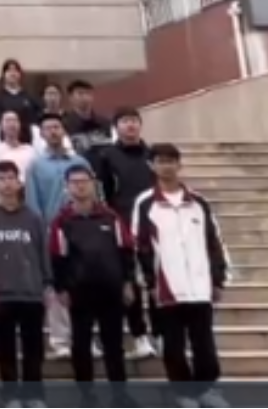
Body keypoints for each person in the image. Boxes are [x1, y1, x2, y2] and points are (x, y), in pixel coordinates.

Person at [133, 145, 229, 409]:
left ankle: (207, 389)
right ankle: (183, 392)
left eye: (171, 161)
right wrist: (149, 282)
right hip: (166, 288)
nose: (166, 166)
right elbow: (140, 246)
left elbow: (214, 241)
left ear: (179, 164)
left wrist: (218, 278)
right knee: (173, 345)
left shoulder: (199, 202)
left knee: (204, 344)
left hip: (199, 286)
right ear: (152, 166)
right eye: (160, 161)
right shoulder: (145, 203)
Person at [50, 165, 137, 408]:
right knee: (81, 346)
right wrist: (61, 288)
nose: (80, 186)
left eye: (84, 181)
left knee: (114, 346)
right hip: (79, 293)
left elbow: (126, 251)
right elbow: (57, 257)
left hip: (111, 290)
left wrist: (128, 282)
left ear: (93, 183)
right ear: (67, 187)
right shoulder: (62, 221)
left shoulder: (111, 216)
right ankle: (86, 395)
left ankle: (120, 395)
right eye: (74, 182)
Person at [0, 160, 52, 409]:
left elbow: (43, 252)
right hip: (2, 294)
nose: (7, 183)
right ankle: (10, 395)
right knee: (6, 348)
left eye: (11, 178)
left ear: (19, 182)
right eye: (1, 178)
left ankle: (34, 394)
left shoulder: (33, 217)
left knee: (34, 348)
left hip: (32, 292)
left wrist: (47, 284)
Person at [97, 112, 159, 360]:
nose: (130, 125)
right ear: (116, 127)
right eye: (125, 121)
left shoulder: (152, 155)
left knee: (155, 279)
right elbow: (103, 192)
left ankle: (161, 333)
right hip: (122, 225)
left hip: (153, 225)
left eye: (134, 121)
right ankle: (139, 335)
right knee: (130, 281)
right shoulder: (107, 156)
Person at [29, 115, 90, 358]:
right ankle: (60, 339)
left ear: (63, 131)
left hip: (83, 227)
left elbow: (93, 193)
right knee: (56, 285)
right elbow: (33, 202)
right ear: (42, 134)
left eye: (57, 127)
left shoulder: (80, 162)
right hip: (53, 230)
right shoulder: (36, 165)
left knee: (83, 283)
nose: (53, 131)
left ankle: (84, 337)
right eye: (48, 128)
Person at [62, 81, 113, 168]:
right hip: (77, 170)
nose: (85, 97)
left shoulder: (104, 122)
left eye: (88, 93)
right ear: (70, 98)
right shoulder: (64, 124)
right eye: (80, 93)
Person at [0, 60, 39, 146]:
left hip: (26, 141)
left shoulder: (29, 96)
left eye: (15, 70)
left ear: (20, 74)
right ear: (3, 75)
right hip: (4, 142)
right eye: (9, 70)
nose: (12, 73)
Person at [0, 112, 35, 182]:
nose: (12, 124)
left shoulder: (30, 150)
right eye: (8, 121)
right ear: (1, 126)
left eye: (15, 120)